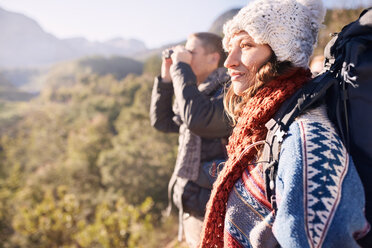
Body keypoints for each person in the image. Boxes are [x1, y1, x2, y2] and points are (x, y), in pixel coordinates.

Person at [200, 0, 370, 247]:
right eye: (230, 47)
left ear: (282, 53)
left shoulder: (304, 137)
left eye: (246, 45)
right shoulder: (263, 122)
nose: (229, 61)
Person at [149, 32, 231, 247]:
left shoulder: (229, 90)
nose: (185, 56)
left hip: (215, 211)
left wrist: (180, 69)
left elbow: (198, 120)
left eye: (191, 52)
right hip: (192, 206)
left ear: (214, 58)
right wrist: (167, 79)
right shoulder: (195, 94)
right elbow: (163, 122)